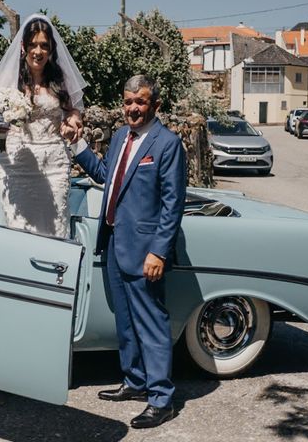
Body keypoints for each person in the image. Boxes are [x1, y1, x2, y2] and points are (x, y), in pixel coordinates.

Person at [67, 75, 186, 429]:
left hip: (146, 251)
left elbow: (172, 205)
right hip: (116, 243)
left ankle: (161, 398)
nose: (134, 107)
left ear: (155, 105)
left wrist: (159, 253)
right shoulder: (121, 137)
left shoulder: (168, 144)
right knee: (126, 321)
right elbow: (106, 175)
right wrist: (79, 146)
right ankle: (135, 381)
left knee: (151, 322)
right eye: (129, 101)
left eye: (141, 101)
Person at [0, 14, 87, 238]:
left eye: (44, 46)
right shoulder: (12, 81)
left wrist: (74, 121)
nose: (38, 51)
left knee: (55, 229)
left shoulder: (59, 80)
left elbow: (73, 111)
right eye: (33, 45)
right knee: (21, 232)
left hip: (53, 165)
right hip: (20, 166)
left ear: (51, 49)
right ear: (24, 47)